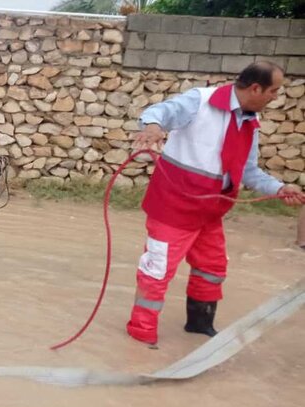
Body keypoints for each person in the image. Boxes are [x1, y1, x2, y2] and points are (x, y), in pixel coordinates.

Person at [127, 61, 305, 345]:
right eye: (273, 91)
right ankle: (141, 331)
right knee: (157, 271)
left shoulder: (249, 122)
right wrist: (152, 127)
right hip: (173, 208)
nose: (275, 97)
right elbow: (158, 112)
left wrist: (281, 187)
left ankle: (200, 326)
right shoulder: (200, 101)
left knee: (212, 269)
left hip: (210, 212)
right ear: (256, 88)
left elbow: (249, 171)